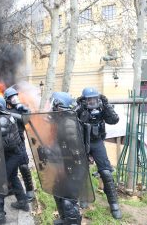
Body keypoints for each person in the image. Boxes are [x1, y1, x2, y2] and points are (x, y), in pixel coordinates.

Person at [0, 95, 29, 225]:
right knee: (13, 177)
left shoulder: (2, 120)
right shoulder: (4, 117)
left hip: (12, 155)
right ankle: (23, 202)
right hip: (14, 154)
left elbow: (4, 144)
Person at [76, 87, 122, 219]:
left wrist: (106, 105)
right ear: (84, 101)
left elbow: (114, 120)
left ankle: (114, 204)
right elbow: (68, 122)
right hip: (82, 143)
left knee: (106, 172)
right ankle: (84, 196)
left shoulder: (102, 109)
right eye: (89, 100)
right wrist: (79, 108)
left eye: (94, 99)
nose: (92, 102)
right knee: (81, 171)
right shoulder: (80, 109)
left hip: (97, 143)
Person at [48, 92, 83, 225]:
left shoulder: (69, 123)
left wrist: (54, 152)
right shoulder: (61, 120)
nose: (51, 107)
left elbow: (73, 149)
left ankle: (73, 222)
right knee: (58, 191)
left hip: (73, 165)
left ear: (60, 107)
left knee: (69, 199)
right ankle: (65, 219)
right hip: (65, 163)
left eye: (54, 105)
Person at [3, 87, 35, 201]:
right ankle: (11, 188)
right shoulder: (3, 109)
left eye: (15, 97)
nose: (15, 99)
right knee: (11, 169)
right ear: (7, 100)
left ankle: (30, 191)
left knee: (23, 166)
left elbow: (27, 120)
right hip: (8, 144)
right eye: (12, 98)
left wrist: (25, 110)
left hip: (19, 142)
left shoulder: (21, 110)